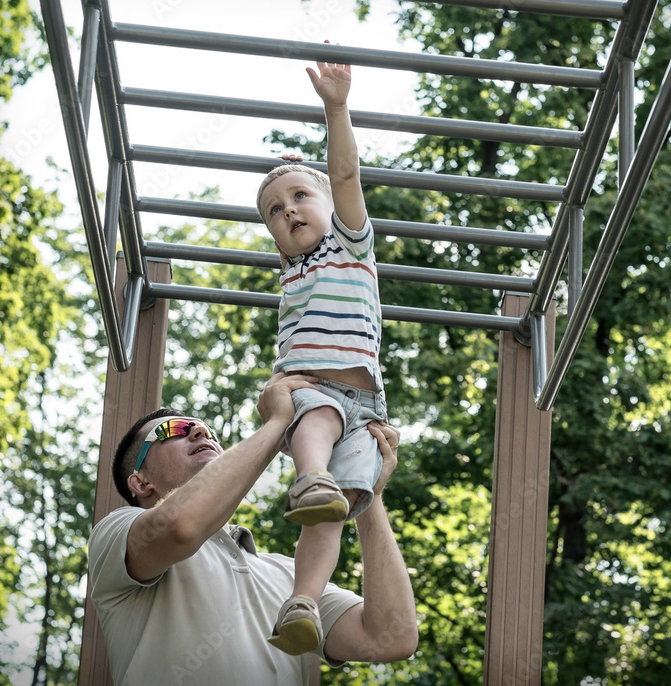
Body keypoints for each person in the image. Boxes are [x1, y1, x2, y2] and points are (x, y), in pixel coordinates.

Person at [88, 374, 417, 686]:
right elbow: (181, 527)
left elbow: (390, 637)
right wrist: (277, 424)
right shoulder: (116, 532)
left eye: (208, 432)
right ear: (141, 482)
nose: (201, 433)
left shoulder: (294, 575)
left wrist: (367, 491)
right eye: (175, 428)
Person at [254, 53, 389, 656]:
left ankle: (303, 601)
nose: (289, 212)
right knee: (320, 421)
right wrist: (283, 179)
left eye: (300, 197)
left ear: (330, 207)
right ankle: (310, 478)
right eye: (275, 214)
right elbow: (299, 204)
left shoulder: (351, 245)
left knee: (331, 515)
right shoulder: (292, 271)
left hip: (364, 404)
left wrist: (336, 108)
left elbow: (345, 177)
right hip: (310, 387)